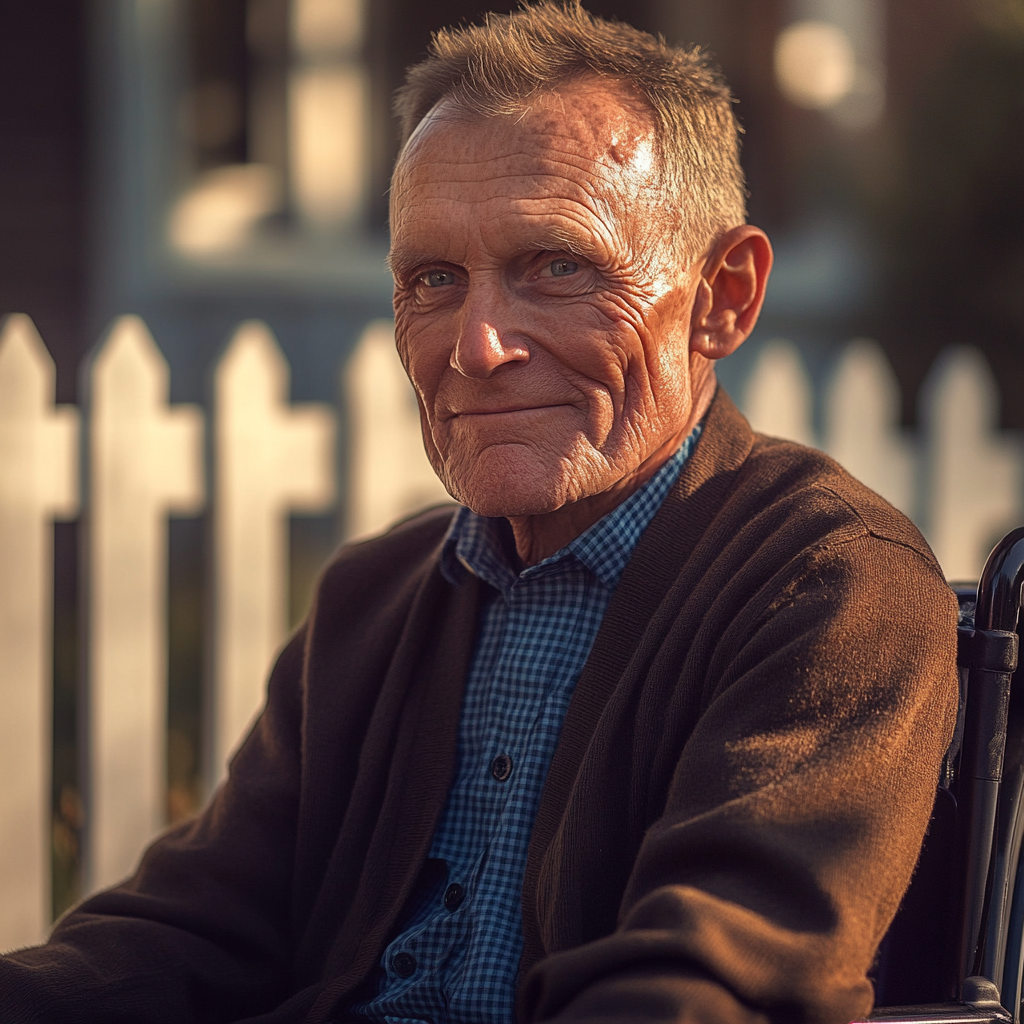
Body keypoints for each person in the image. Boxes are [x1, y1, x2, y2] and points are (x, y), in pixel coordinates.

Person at [0, 4, 958, 1024]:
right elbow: (191, 928)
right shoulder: (373, 597)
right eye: (433, 279)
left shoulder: (833, 587)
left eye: (557, 266)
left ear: (724, 295)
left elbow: (705, 986)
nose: (477, 345)